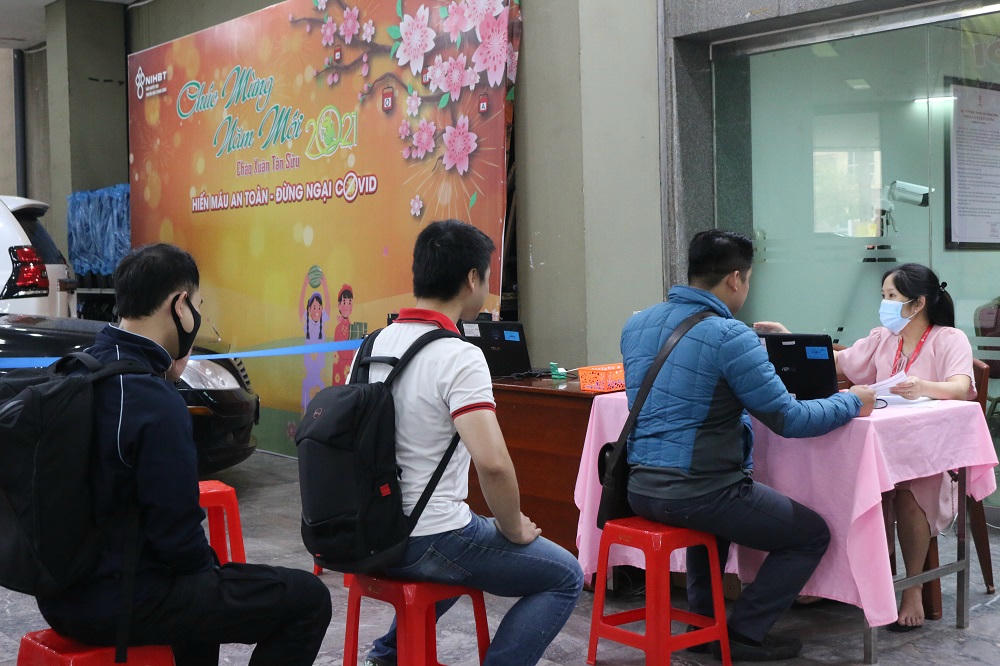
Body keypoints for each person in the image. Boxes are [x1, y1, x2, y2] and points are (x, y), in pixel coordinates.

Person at [37, 243, 332, 665]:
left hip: (59, 594)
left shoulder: (77, 369)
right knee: (307, 599)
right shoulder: (154, 401)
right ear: (179, 305)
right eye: (197, 305)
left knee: (199, 591)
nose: (197, 316)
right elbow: (178, 541)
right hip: (120, 602)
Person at [621, 229, 876, 662]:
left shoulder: (637, 324)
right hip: (699, 492)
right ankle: (743, 633)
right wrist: (852, 401)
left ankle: (702, 627)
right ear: (736, 278)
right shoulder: (729, 335)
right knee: (809, 534)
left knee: (712, 522)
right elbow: (790, 419)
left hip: (640, 487)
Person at [359, 220, 583, 666]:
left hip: (369, 533)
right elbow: (493, 463)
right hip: (429, 537)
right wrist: (514, 527)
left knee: (463, 547)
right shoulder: (459, 354)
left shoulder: (371, 345)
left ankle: (387, 656)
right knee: (565, 576)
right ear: (472, 278)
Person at [758, 262, 974, 631]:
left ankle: (912, 589)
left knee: (911, 491)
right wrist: (787, 339)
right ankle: (829, 580)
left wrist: (923, 387)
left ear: (918, 303)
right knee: (835, 479)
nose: (884, 303)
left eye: (892, 296)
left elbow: (960, 386)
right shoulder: (882, 338)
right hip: (882, 448)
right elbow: (837, 361)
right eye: (883, 296)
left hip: (929, 455)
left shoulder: (949, 338)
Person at [300, 266, 331, 411]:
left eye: (319, 307)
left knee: (322, 394)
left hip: (319, 371)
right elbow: (300, 306)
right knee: (306, 391)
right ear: (309, 309)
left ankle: (320, 415)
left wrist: (324, 285)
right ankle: (305, 412)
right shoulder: (306, 322)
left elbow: (328, 305)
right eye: (314, 307)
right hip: (309, 370)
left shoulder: (323, 322)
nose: (317, 310)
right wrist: (305, 285)